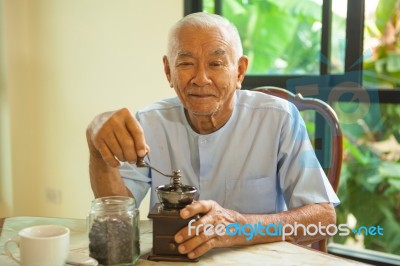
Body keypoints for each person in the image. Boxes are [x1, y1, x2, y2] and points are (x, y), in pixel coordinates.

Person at [86, 12, 339, 259]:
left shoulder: (279, 119)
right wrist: (97, 150)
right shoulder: (149, 122)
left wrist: (240, 226)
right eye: (186, 63)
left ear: (239, 71)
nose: (200, 79)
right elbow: (117, 213)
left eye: (216, 64)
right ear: (168, 71)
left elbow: (323, 219)